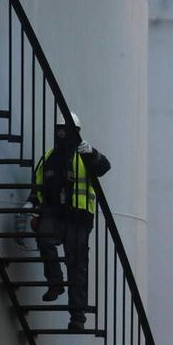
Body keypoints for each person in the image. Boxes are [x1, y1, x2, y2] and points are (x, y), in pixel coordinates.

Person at [21, 111, 110, 331]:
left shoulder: (84, 155)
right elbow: (39, 185)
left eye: (66, 130)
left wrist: (93, 153)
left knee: (77, 266)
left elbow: (104, 167)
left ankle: (77, 317)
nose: (62, 134)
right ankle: (55, 283)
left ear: (75, 132)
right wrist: (32, 206)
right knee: (44, 237)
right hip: (55, 214)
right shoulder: (49, 157)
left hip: (79, 217)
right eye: (59, 129)